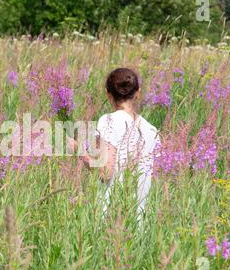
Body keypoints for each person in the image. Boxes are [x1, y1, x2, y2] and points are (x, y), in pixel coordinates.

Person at [67, 68, 160, 225]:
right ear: (138, 92)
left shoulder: (109, 120)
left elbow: (105, 173)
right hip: (139, 223)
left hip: (110, 220)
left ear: (107, 94)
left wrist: (78, 150)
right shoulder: (152, 130)